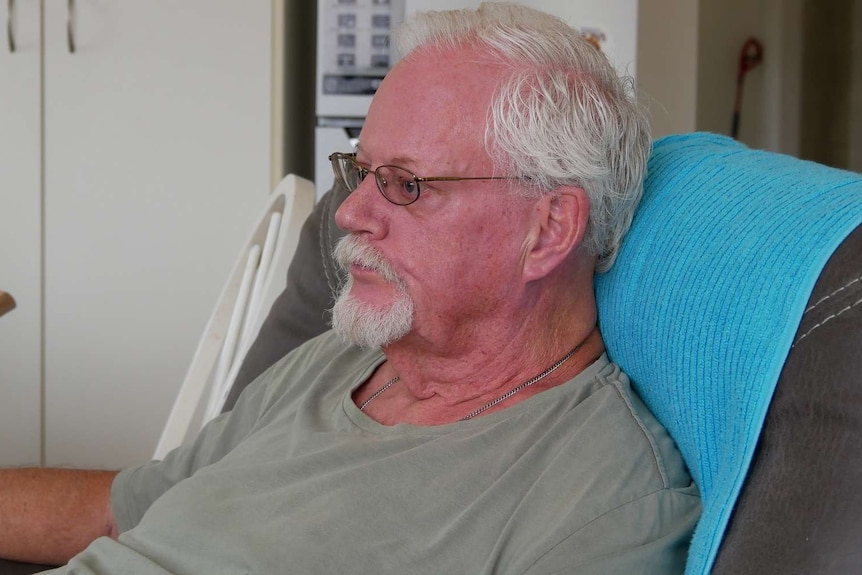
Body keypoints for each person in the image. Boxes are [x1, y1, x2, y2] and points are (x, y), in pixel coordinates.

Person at [0, 3, 700, 573]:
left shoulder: (601, 502)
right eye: (360, 171)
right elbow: (125, 508)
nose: (350, 213)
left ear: (549, 230)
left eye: (405, 184)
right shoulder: (338, 359)